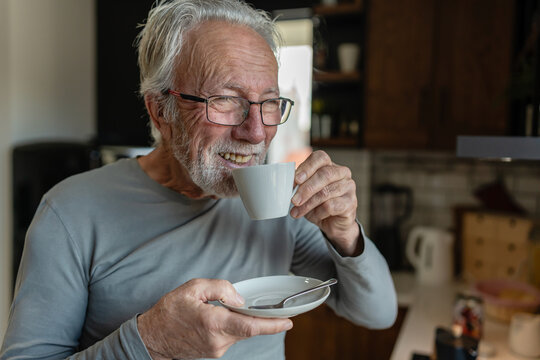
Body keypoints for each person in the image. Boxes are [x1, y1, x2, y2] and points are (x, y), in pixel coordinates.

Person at [0, 0, 397, 359]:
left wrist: (346, 232)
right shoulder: (70, 212)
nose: (257, 132)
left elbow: (378, 313)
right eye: (226, 100)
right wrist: (150, 341)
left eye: (270, 103)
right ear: (161, 112)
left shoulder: (279, 207)